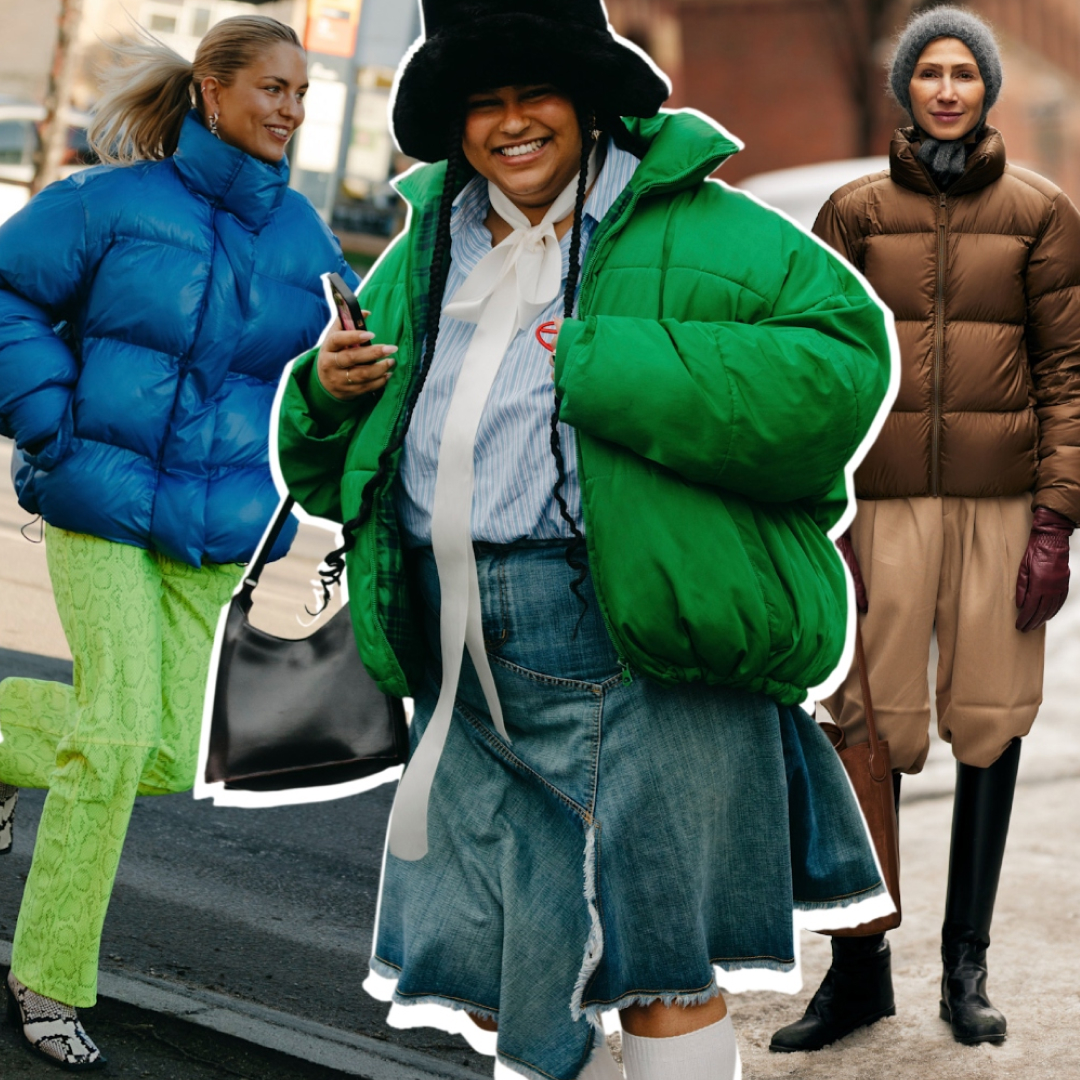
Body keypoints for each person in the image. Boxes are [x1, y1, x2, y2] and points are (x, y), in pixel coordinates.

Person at [277, 1, 896, 1077]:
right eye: (482, 104)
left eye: (533, 95)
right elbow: (335, 471)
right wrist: (324, 398)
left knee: (659, 967)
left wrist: (606, 362)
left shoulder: (707, 227)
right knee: (503, 980)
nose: (510, 123)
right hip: (464, 660)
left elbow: (844, 377)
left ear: (589, 101)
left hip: (633, 635)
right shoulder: (430, 243)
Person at [0, 14, 357, 1069]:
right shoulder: (105, 201)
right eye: (274, 88)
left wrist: (336, 401)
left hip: (220, 528)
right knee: (111, 742)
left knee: (172, 745)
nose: (291, 108)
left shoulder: (306, 241)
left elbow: (331, 390)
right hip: (101, 499)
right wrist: (47, 417)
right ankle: (50, 979)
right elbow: (7, 290)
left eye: (303, 92)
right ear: (210, 89)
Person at [770, 6, 1080, 1055]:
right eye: (930, 73)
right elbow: (815, 371)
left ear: (986, 88)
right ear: (908, 87)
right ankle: (860, 971)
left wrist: (1056, 524)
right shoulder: (852, 212)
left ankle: (967, 968)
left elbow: (1069, 377)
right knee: (868, 725)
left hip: (1000, 506)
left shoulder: (1042, 212)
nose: (947, 89)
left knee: (991, 719)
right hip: (880, 507)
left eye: (965, 74)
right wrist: (826, 514)